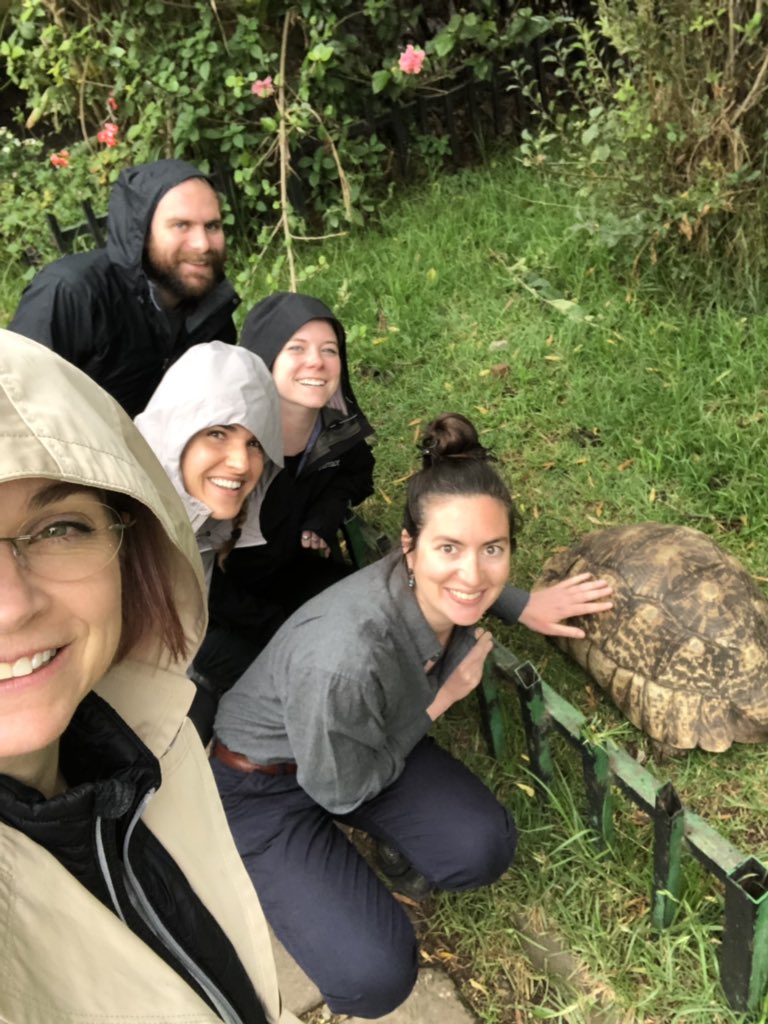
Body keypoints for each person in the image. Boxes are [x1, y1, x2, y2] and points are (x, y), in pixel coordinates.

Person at [210, 413, 613, 1019]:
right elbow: (338, 788)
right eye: (448, 548)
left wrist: (522, 605)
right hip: (264, 782)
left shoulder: (439, 582)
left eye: (493, 550)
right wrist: (442, 699)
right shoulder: (344, 659)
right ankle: (292, 872)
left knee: (482, 847)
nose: (473, 574)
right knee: (375, 979)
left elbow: (466, 581)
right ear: (409, 548)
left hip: (357, 738)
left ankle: (367, 856)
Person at [0, 328, 298, 1024]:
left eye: (59, 529)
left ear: (132, 543)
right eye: (218, 432)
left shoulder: (153, 742)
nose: (11, 608)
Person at [198, 291, 376, 689]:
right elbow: (194, 572)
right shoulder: (226, 450)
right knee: (285, 680)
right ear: (265, 360)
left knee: (367, 618)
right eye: (297, 348)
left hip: (290, 572)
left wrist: (326, 511)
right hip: (217, 610)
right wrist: (278, 626)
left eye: (329, 350)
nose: (316, 361)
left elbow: (357, 474)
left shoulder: (334, 429)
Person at [134, 339, 283, 738]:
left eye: (254, 443)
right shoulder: (123, 527)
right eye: (218, 433)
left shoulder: (202, 520)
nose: (241, 462)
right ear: (174, 432)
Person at [8, 159, 238, 417]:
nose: (202, 244)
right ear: (140, 231)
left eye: (212, 226)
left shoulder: (213, 309)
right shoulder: (73, 292)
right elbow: (15, 408)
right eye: (181, 225)